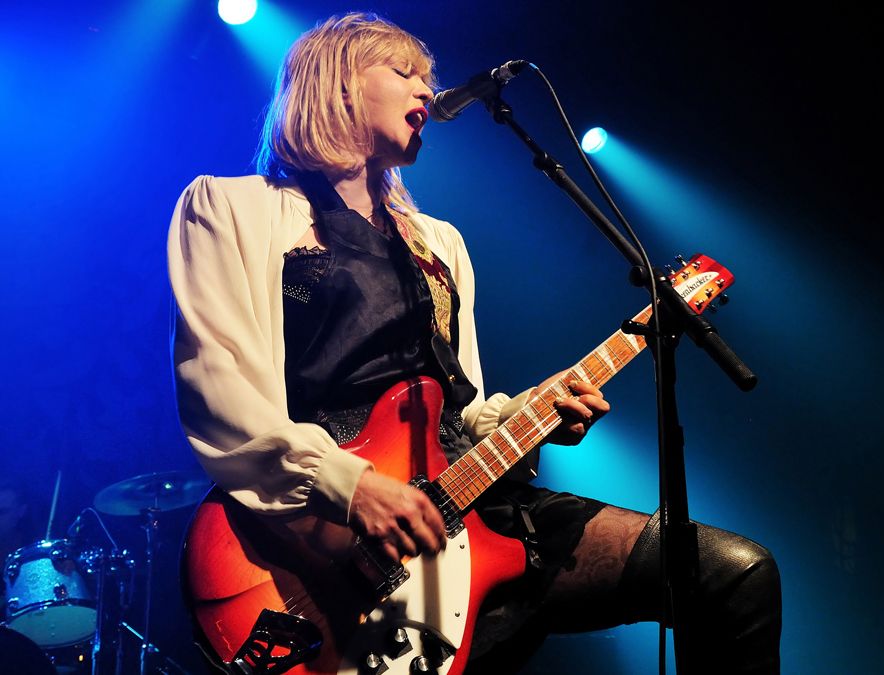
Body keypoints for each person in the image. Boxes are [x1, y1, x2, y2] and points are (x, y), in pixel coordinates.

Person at [167, 12, 780, 674]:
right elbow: (221, 395)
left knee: (732, 575)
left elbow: (459, 415)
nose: (426, 92)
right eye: (403, 72)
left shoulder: (441, 243)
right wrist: (351, 486)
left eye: (428, 79)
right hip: (308, 542)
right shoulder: (231, 208)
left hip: (468, 514)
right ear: (337, 82)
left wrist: (527, 420)